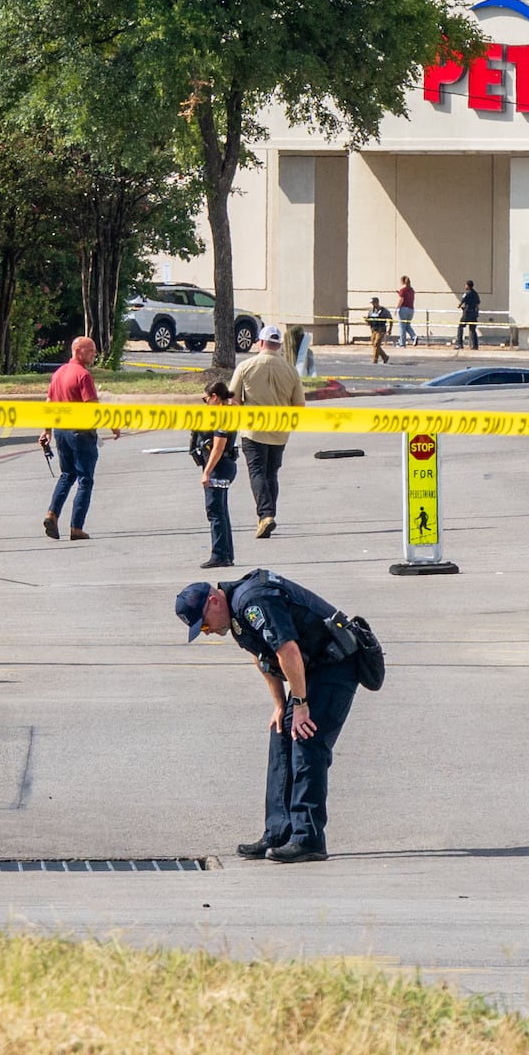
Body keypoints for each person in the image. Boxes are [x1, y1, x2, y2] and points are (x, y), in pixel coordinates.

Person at [177, 570, 369, 864]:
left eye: (204, 624)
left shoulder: (253, 600)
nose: (207, 631)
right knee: (281, 733)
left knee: (307, 739)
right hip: (311, 669)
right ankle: (279, 832)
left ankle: (308, 839)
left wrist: (301, 704)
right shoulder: (237, 615)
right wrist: (281, 704)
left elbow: (288, 651)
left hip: (336, 664)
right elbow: (261, 656)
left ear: (214, 601)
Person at [232, 325, 303, 540]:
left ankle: (265, 514)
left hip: (253, 430)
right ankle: (268, 513)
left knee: (257, 472)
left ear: (260, 343)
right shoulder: (291, 371)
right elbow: (299, 406)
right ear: (280, 345)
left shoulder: (245, 366)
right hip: (280, 431)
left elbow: (233, 400)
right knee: (272, 473)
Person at [41, 334, 102, 540]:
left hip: (61, 432)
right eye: (90, 350)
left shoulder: (58, 373)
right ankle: (76, 527)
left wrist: (47, 430)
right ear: (78, 351)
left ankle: (52, 513)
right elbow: (92, 408)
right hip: (81, 433)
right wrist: (113, 424)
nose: (94, 354)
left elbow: (49, 403)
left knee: (67, 475)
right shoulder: (83, 375)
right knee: (85, 480)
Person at [188, 376, 240, 569]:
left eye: (206, 399)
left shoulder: (222, 418)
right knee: (221, 511)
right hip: (224, 465)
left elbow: (218, 448)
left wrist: (206, 472)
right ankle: (226, 554)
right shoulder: (228, 412)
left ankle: (219, 555)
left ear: (215, 397)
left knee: (215, 512)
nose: (205, 403)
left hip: (219, 467)